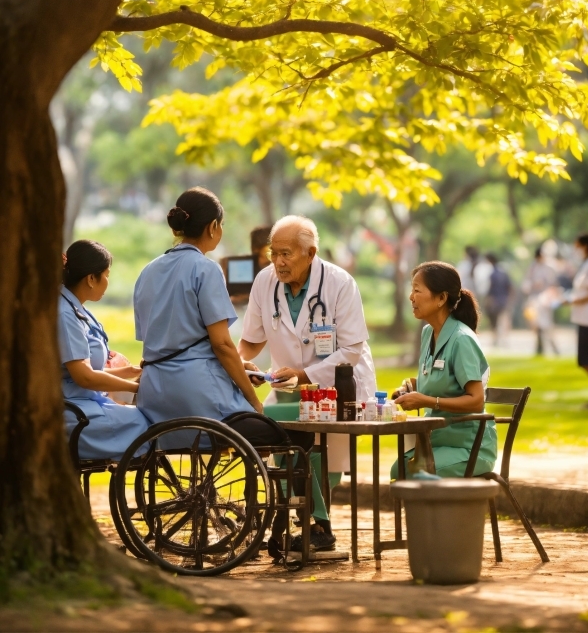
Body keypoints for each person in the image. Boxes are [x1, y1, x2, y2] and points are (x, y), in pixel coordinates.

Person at [133, 188, 314, 555]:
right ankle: (290, 530)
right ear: (213, 227)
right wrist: (252, 397)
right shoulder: (204, 268)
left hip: (156, 398)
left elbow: (164, 341)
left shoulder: (148, 271)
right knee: (295, 437)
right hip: (200, 400)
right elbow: (221, 344)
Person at [239, 215, 377, 551]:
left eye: (286, 254)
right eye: (274, 254)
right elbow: (252, 340)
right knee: (284, 444)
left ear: (311, 252)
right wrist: (240, 364)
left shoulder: (339, 283)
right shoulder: (264, 282)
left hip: (338, 383)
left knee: (323, 458)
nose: (278, 262)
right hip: (288, 388)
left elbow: (351, 349)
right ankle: (309, 525)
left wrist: (304, 375)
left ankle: (303, 525)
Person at [391, 261, 497, 479]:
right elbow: (441, 379)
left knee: (413, 474)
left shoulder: (462, 339)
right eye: (412, 291)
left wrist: (427, 401)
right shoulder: (428, 333)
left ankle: (444, 515)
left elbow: (476, 400)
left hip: (468, 448)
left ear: (441, 298)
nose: (411, 297)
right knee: (398, 470)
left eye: (417, 291)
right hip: (437, 442)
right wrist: (412, 388)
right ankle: (424, 515)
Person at [59, 240, 149, 460]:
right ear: (91, 278)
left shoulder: (76, 308)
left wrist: (132, 372)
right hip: (73, 412)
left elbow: (83, 368)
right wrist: (137, 388)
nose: (108, 281)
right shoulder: (64, 314)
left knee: (144, 418)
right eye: (107, 274)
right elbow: (85, 377)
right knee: (147, 424)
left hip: (83, 402)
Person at [565, 234, 588, 409]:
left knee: (586, 358)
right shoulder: (586, 265)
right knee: (584, 360)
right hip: (585, 317)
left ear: (583, 245)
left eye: (576, 245)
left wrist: (572, 301)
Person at [522, 246, 559, 355]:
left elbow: (553, 284)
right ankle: (540, 348)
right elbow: (526, 284)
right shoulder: (533, 267)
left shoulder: (549, 267)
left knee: (547, 325)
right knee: (537, 325)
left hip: (546, 299)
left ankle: (555, 349)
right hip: (535, 299)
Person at [484, 253, 513, 346]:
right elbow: (509, 286)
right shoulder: (503, 272)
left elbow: (490, 288)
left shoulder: (492, 273)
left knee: (494, 320)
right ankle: (504, 339)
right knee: (503, 319)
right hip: (504, 299)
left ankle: (495, 339)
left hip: (495, 299)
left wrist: (488, 299)